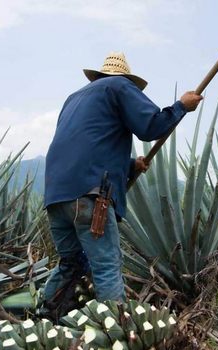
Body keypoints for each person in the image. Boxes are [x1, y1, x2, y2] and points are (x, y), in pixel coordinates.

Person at [42, 52, 203, 305]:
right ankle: (113, 328)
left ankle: (43, 318)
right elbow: (151, 127)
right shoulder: (119, 86)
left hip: (56, 197)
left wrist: (131, 165)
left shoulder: (74, 98)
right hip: (89, 196)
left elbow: (86, 146)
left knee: (70, 264)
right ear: (125, 78)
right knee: (107, 265)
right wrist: (182, 107)